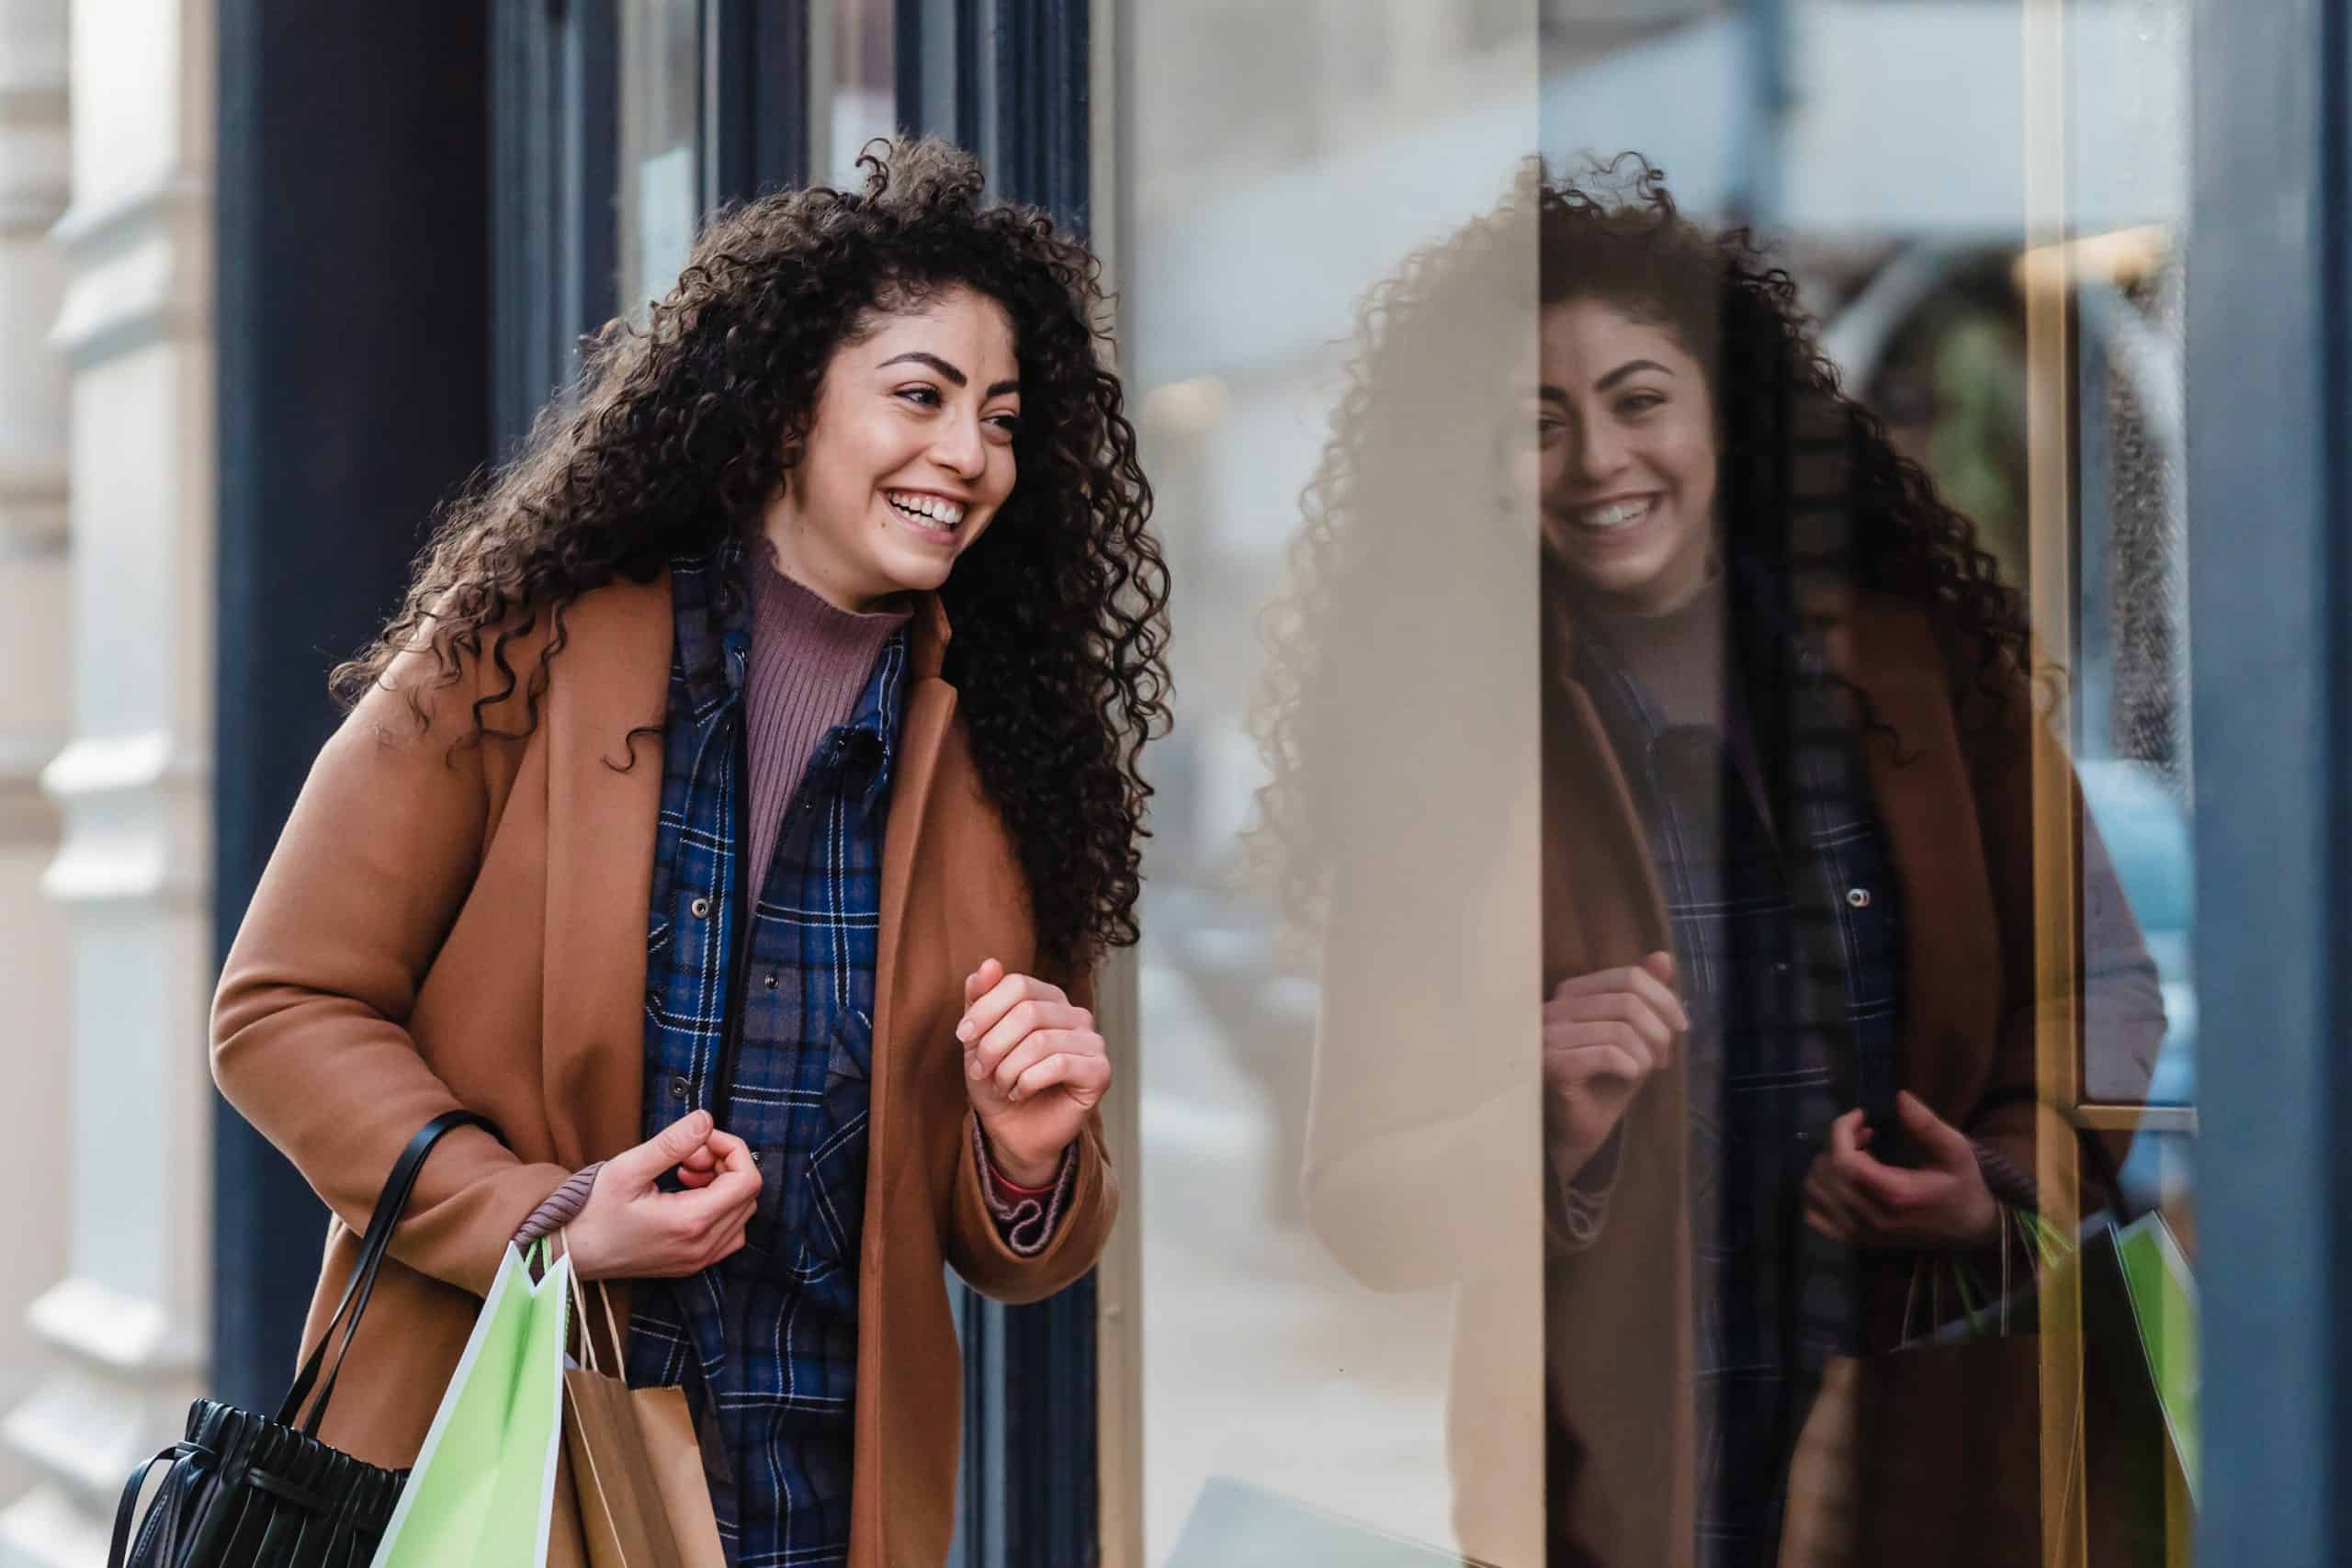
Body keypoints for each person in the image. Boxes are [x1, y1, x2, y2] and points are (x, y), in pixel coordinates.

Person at [211, 137, 1169, 1568]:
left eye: (1004, 419)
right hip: (492, 1469)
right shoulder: (519, 646)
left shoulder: (1018, 754)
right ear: (788, 405)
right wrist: (545, 1218)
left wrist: (1025, 1157)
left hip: (812, 1506)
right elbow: (280, 1011)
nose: (969, 456)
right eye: (921, 395)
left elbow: (1010, 1239)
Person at [1259, 160, 2163, 1567]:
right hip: (1619, 1483)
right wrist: (1538, 1112)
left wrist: (2001, 1183)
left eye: (1638, 400)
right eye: (1535, 424)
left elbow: (2094, 978)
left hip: (1951, 1439)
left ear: (1722, 415)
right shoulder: (1452, 740)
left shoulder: (1923, 665)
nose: (1600, 462)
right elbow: (1362, 1204)